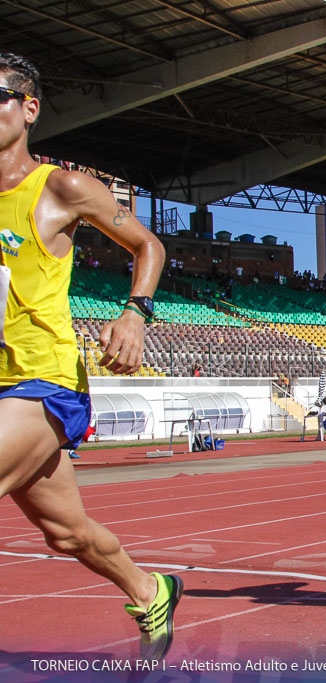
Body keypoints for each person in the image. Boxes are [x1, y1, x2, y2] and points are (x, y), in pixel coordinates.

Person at [0, 53, 180, 659]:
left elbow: (147, 244)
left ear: (29, 109)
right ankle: (150, 589)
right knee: (67, 533)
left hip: (41, 380)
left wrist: (136, 313)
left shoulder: (60, 188)